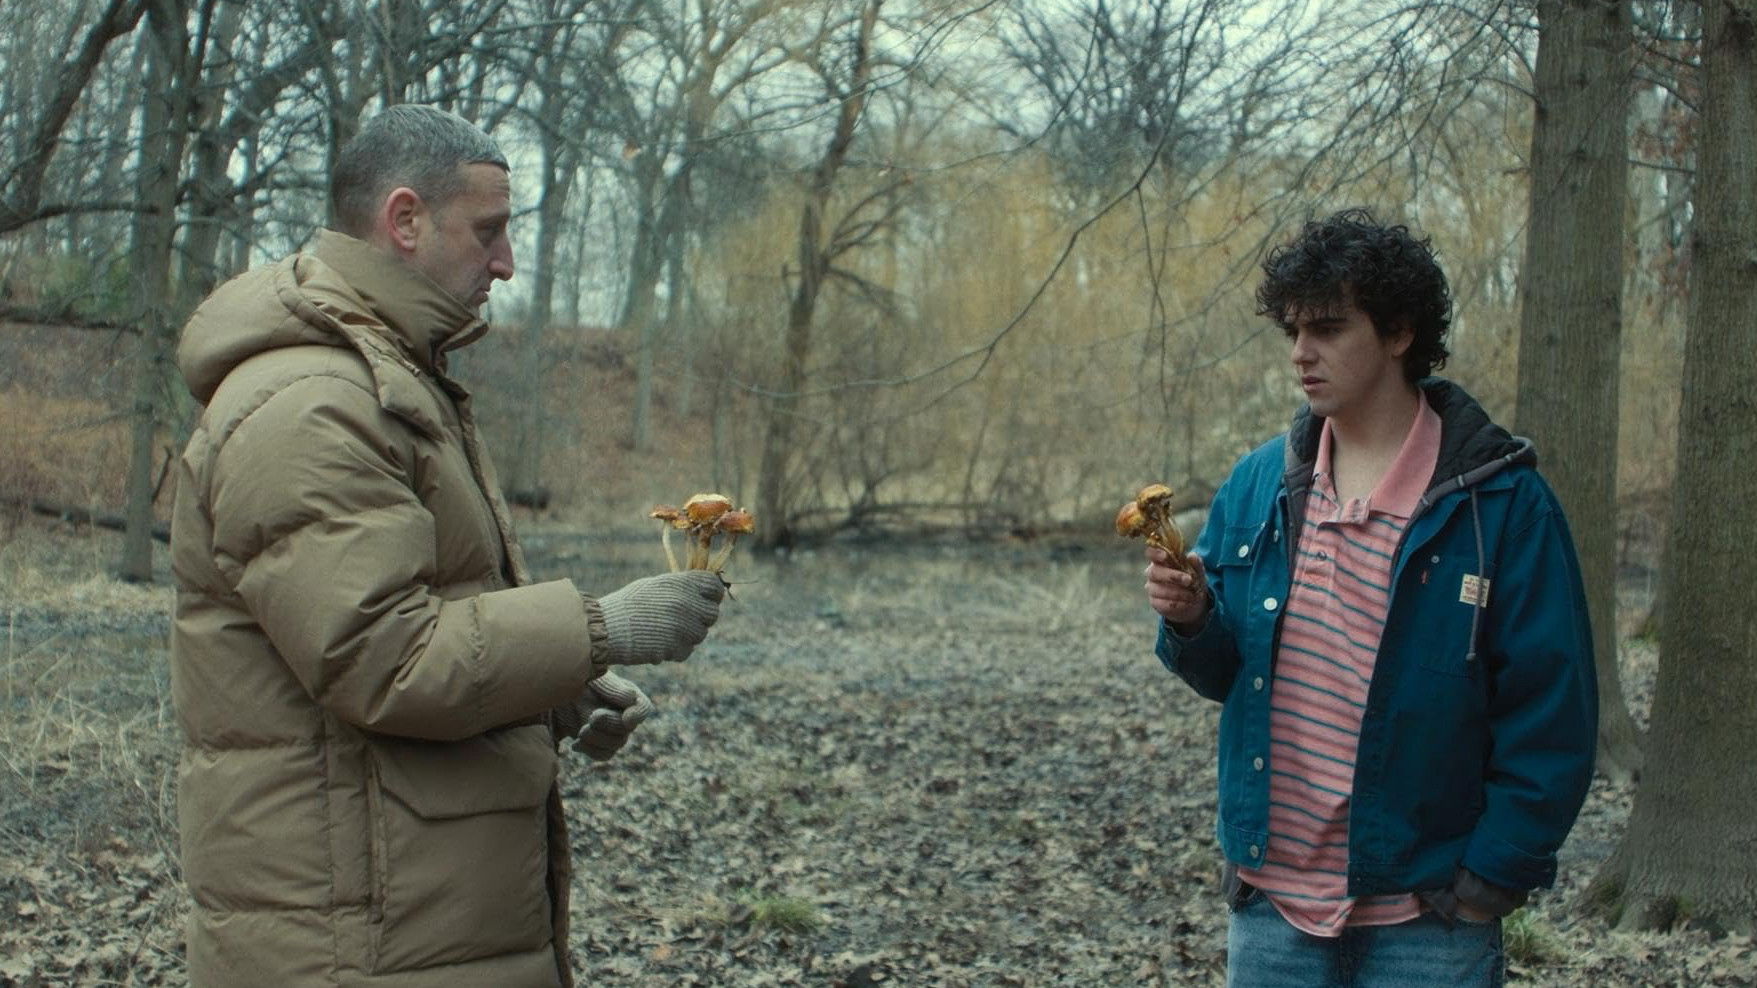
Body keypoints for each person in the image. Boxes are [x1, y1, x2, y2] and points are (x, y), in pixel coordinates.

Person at [168, 104, 726, 987]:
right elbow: (385, 659)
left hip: (410, 921)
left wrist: (554, 688)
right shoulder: (311, 404)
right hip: (351, 945)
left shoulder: (388, 380)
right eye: (488, 232)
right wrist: (600, 630)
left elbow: (421, 611)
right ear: (405, 220)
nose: (506, 263)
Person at [1143, 209, 1596, 986]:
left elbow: (1552, 709)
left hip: (1428, 916)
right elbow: (1225, 675)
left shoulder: (1499, 506)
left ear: (1397, 332)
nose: (1300, 352)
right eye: (1292, 330)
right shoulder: (1257, 483)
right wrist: (1189, 620)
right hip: (1271, 906)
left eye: (1326, 328)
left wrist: (1490, 879)